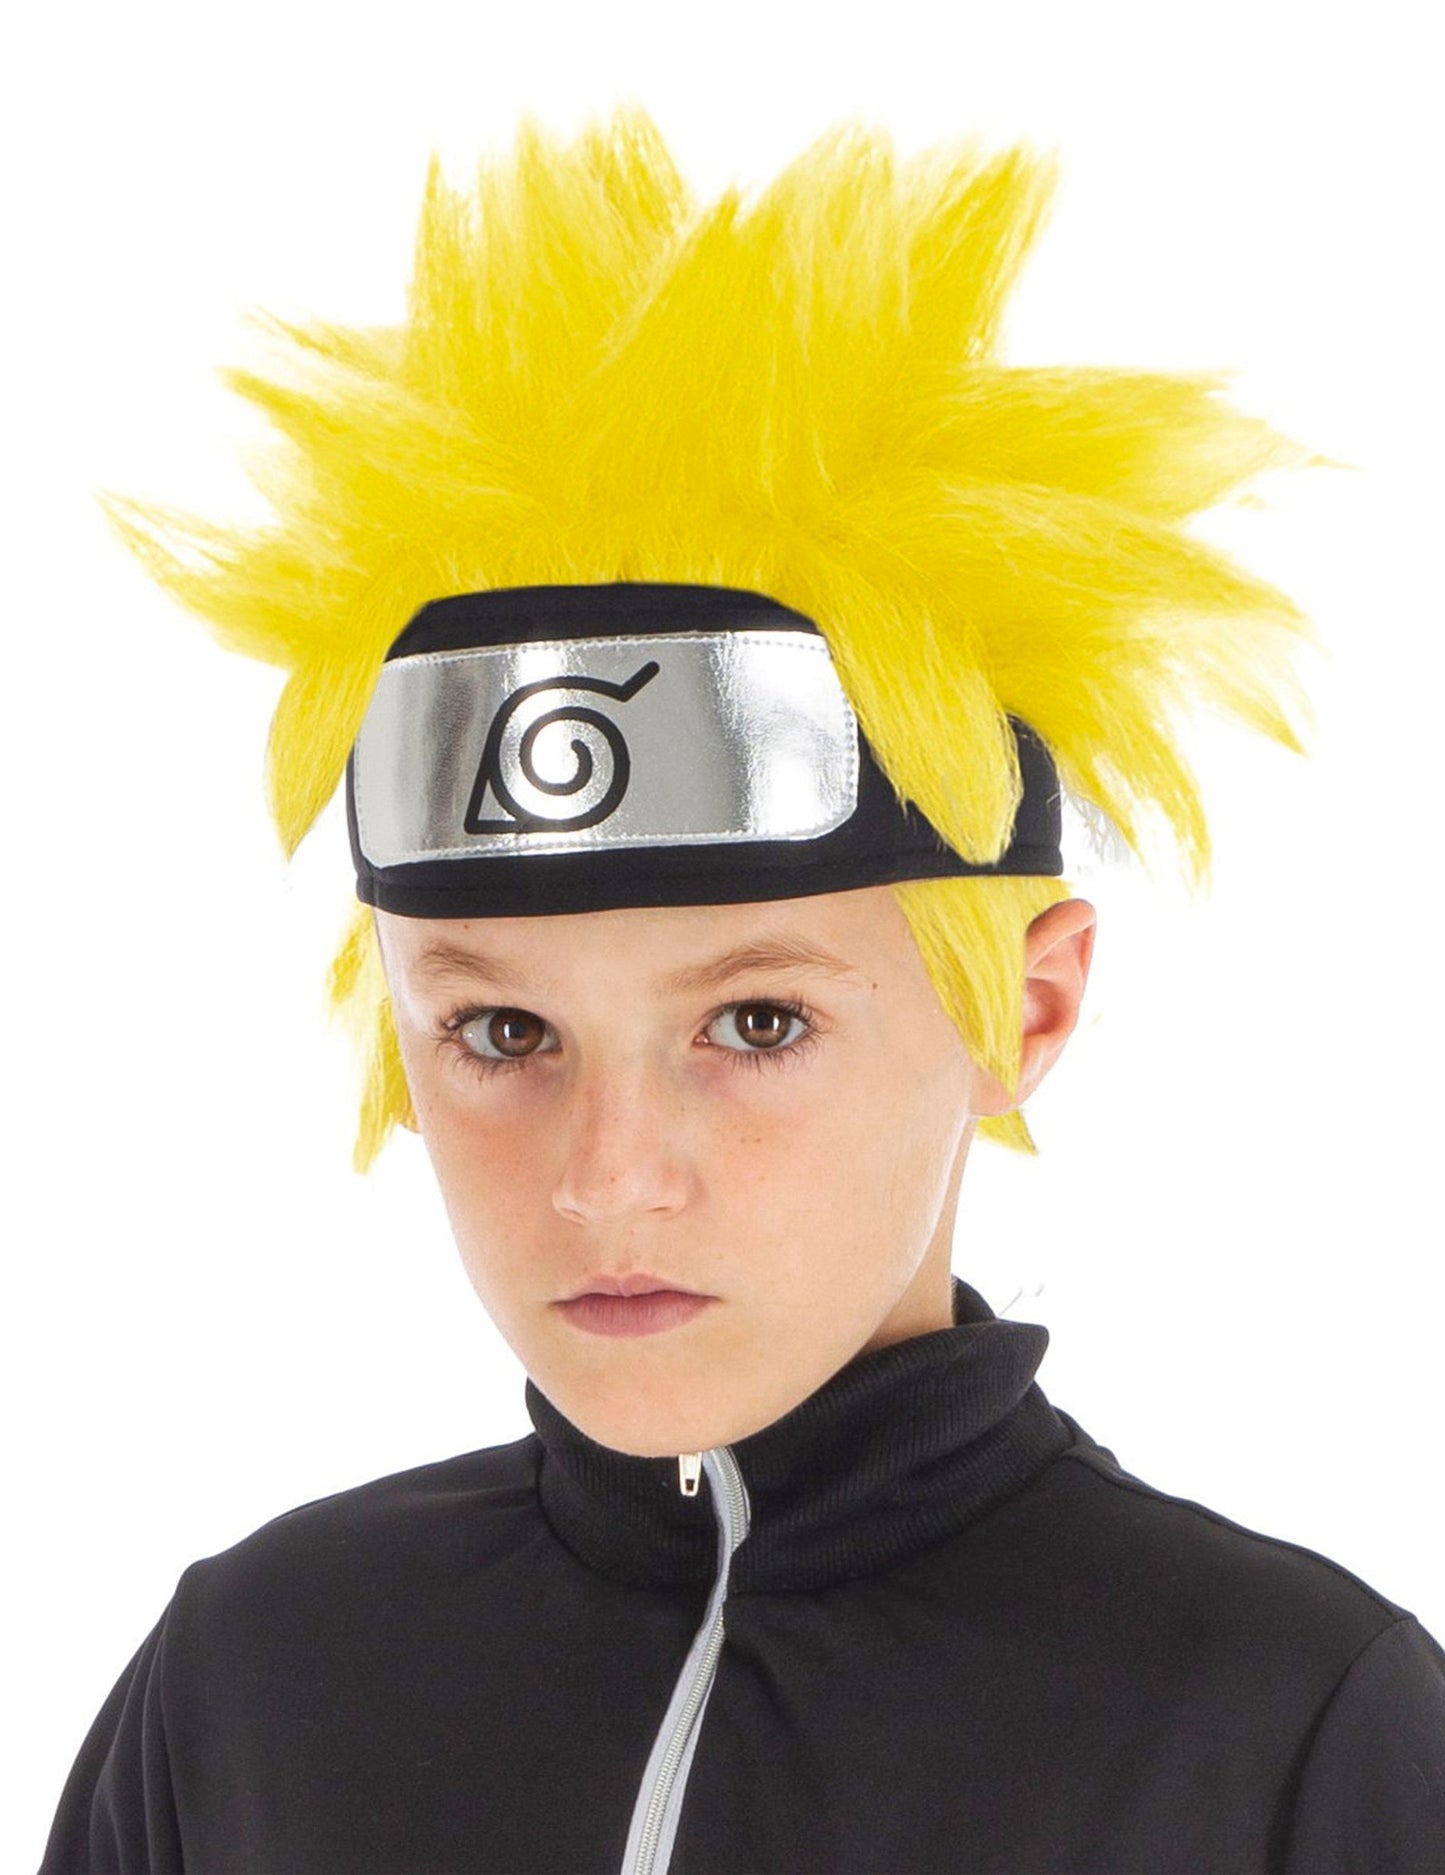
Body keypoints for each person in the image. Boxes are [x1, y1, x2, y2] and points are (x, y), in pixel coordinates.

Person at [40, 109, 1444, 1874]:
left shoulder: (1283, 1724)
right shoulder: (252, 1679)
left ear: (1023, 1011)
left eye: (756, 1023)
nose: (608, 1177)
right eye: (502, 1032)